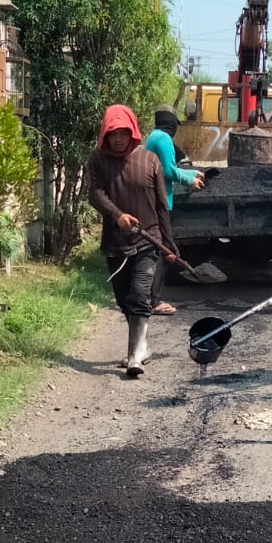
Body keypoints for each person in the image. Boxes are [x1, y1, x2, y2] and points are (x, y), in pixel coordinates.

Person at [86, 104, 172, 378]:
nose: (118, 139)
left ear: (133, 131)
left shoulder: (149, 160)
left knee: (139, 294)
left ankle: (135, 357)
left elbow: (162, 205)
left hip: (149, 239)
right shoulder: (98, 160)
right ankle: (142, 347)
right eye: (113, 134)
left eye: (123, 132)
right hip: (116, 242)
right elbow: (95, 194)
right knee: (124, 299)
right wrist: (117, 216)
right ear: (105, 135)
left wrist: (169, 244)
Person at [143, 106, 205, 316]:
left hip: (153, 198)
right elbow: (168, 171)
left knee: (158, 248)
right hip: (160, 201)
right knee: (164, 249)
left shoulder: (154, 137)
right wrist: (190, 181)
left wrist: (192, 172)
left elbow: (168, 167)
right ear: (170, 123)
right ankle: (153, 300)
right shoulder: (164, 139)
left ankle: (149, 296)